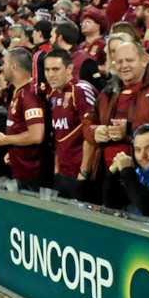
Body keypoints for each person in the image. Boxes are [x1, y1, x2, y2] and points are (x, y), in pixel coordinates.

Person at [88, 40, 149, 209]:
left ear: (144, 59)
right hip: (111, 176)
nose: (124, 66)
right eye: (119, 61)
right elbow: (88, 122)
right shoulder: (109, 90)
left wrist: (130, 130)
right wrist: (95, 131)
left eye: (129, 60)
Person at [0, 47, 46, 191]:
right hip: (21, 167)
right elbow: (20, 128)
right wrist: (12, 150)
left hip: (32, 172)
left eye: (4, 63)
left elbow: (36, 135)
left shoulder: (29, 95)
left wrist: (5, 140)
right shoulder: (18, 92)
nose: (1, 67)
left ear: (14, 66)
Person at [43, 48, 97, 200]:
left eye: (55, 69)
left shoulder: (81, 90)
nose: (50, 74)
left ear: (69, 69)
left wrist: (83, 173)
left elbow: (91, 134)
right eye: (47, 70)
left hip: (81, 173)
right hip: (62, 173)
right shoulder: (53, 94)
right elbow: (58, 136)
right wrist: (57, 169)